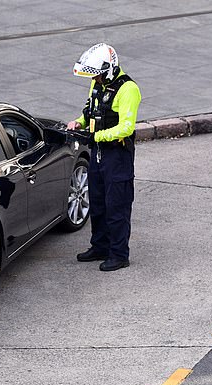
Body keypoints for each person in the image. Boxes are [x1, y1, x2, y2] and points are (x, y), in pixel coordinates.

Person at [66, 43, 141, 271]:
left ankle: (119, 254)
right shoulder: (97, 84)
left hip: (117, 155)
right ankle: (100, 246)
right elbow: (90, 111)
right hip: (98, 151)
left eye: (97, 75)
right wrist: (78, 121)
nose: (94, 80)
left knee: (116, 205)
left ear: (108, 69)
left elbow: (126, 127)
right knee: (97, 202)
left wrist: (97, 135)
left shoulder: (128, 89)